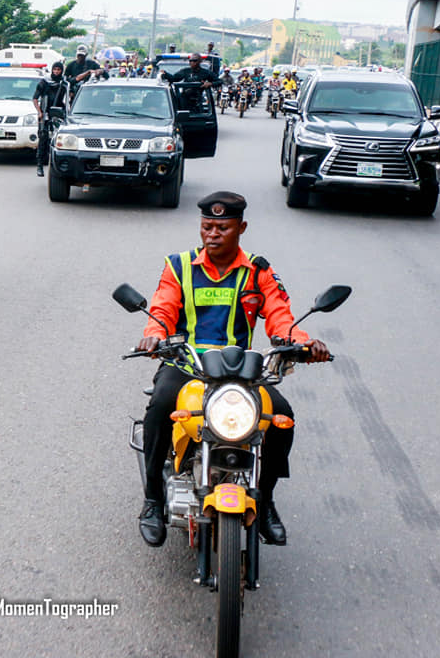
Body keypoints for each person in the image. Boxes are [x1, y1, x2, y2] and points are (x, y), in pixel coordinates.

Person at [134, 192, 330, 548]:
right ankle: (152, 500)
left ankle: (266, 498)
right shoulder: (178, 266)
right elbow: (162, 311)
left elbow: (281, 317)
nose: (212, 234)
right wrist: (154, 337)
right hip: (187, 364)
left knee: (281, 415)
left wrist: (300, 343)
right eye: (207, 226)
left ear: (241, 228)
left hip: (240, 370)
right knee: (161, 406)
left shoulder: (258, 270)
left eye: (222, 227)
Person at [32, 61, 69, 177]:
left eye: (59, 70)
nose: (56, 72)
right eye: (55, 70)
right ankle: (39, 165)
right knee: (43, 138)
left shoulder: (64, 83)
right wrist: (40, 112)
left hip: (58, 114)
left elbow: (69, 97)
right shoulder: (44, 82)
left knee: (59, 140)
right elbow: (35, 98)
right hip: (45, 113)